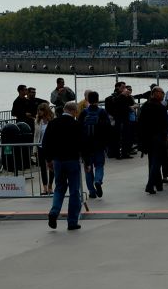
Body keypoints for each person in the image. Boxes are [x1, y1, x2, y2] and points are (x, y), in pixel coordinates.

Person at [42, 101, 84, 230]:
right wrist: (87, 161)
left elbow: (46, 143)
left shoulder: (53, 123)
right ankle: (72, 221)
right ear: (73, 111)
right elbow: (83, 144)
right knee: (74, 191)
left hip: (58, 161)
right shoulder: (76, 124)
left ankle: (54, 212)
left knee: (59, 188)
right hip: (72, 160)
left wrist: (48, 160)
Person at [137, 85, 168, 194]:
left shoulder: (145, 106)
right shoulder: (160, 107)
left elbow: (140, 123)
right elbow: (165, 125)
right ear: (155, 93)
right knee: (157, 162)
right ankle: (150, 185)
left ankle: (158, 184)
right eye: (162, 93)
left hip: (148, 138)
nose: (163, 95)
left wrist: (141, 140)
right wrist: (165, 138)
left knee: (152, 161)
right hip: (158, 138)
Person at [79, 91, 111, 198]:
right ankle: (98, 180)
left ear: (87, 99)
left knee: (88, 168)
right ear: (97, 100)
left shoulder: (84, 112)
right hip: (99, 144)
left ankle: (92, 192)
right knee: (99, 165)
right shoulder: (102, 112)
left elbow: (78, 129)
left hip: (86, 145)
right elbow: (108, 128)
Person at [34, 102, 56, 194]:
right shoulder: (37, 121)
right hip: (40, 146)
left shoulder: (53, 120)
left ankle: (50, 185)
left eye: (41, 110)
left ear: (45, 111)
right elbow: (35, 135)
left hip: (50, 147)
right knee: (42, 167)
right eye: (38, 110)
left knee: (51, 167)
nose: (39, 112)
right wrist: (34, 148)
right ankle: (45, 187)